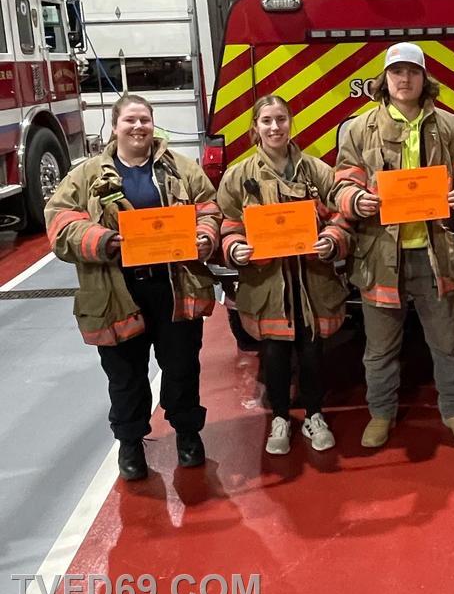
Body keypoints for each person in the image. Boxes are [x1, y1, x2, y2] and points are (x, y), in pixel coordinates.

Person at [45, 94, 221, 481]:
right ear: (115, 126)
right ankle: (130, 442)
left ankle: (188, 434)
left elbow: (209, 207)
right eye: (130, 120)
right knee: (125, 374)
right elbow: (58, 222)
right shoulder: (87, 175)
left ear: (153, 124)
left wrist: (206, 236)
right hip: (117, 292)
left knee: (181, 367)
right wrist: (104, 240)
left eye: (145, 119)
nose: (139, 127)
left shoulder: (181, 169)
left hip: (174, 287)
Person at [330, 42, 454, 448]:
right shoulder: (360, 129)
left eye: (412, 72)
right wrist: (355, 199)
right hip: (381, 256)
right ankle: (381, 414)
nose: (404, 79)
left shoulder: (449, 126)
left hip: (439, 255)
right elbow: (341, 182)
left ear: (424, 79)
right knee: (380, 348)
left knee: (449, 343)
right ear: (385, 80)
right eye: (396, 72)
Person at [216, 95, 351, 455]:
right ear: (255, 128)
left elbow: (342, 215)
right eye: (266, 121)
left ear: (291, 123)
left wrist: (332, 239)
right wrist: (234, 248)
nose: (274, 127)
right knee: (273, 353)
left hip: (312, 281)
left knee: (312, 352)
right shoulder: (239, 176)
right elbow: (227, 224)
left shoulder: (316, 171)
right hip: (266, 284)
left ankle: (314, 414)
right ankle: (279, 417)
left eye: (280, 119)